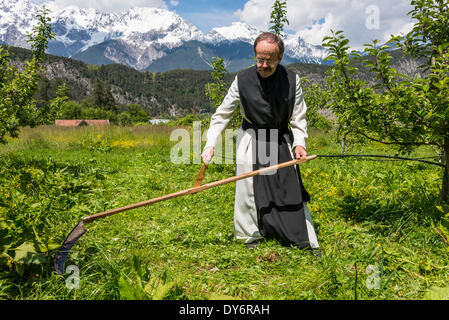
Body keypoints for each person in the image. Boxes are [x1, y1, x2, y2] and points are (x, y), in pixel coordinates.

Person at [201, 32, 319, 252]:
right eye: (259, 59)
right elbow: (222, 115)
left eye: (269, 60)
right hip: (251, 138)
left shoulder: (292, 80)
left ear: (280, 58)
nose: (264, 65)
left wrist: (299, 143)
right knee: (248, 189)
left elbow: (298, 117)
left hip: (280, 139)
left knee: (288, 187)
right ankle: (250, 235)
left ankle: (302, 238)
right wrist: (210, 143)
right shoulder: (242, 80)